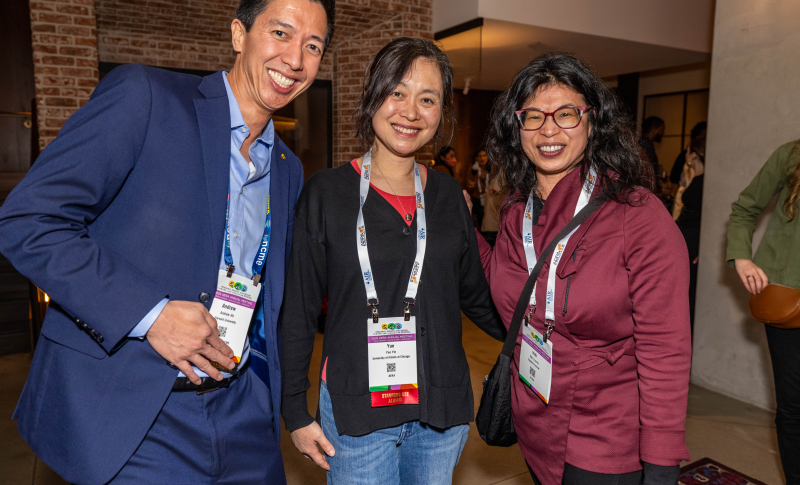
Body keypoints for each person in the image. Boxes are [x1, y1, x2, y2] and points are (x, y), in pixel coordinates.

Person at [0, 0, 334, 484]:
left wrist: (286, 405)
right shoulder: (147, 97)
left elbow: (272, 299)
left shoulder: (288, 168)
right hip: (134, 416)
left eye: (313, 46)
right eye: (281, 33)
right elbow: (29, 220)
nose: (295, 59)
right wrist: (149, 314)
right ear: (239, 34)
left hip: (242, 410)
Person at [281, 37, 506, 485]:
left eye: (428, 99)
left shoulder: (447, 197)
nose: (410, 111)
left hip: (441, 410)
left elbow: (476, 295)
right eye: (397, 93)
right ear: (373, 97)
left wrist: (541, 337)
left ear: (441, 113)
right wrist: (294, 409)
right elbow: (299, 309)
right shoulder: (326, 193)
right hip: (356, 409)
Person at [478, 53, 691, 485]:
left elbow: (665, 351)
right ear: (516, 129)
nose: (549, 129)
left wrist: (663, 464)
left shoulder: (637, 216)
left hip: (606, 441)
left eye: (567, 114)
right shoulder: (516, 210)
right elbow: (502, 290)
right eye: (533, 116)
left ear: (593, 122)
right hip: (534, 424)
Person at [727, 140, 800, 485]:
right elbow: (744, 208)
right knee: (793, 409)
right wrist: (741, 256)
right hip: (790, 303)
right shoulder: (791, 155)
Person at [677, 139, 705, 334]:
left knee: (690, 294)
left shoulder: (705, 181)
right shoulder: (698, 178)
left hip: (694, 241)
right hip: (687, 239)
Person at [467, 148, 490, 228]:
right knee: (479, 222)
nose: (482, 158)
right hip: (477, 198)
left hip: (489, 199)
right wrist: (470, 185)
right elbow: (468, 185)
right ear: (476, 158)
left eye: (484, 155)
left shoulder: (492, 169)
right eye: (479, 156)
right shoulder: (473, 169)